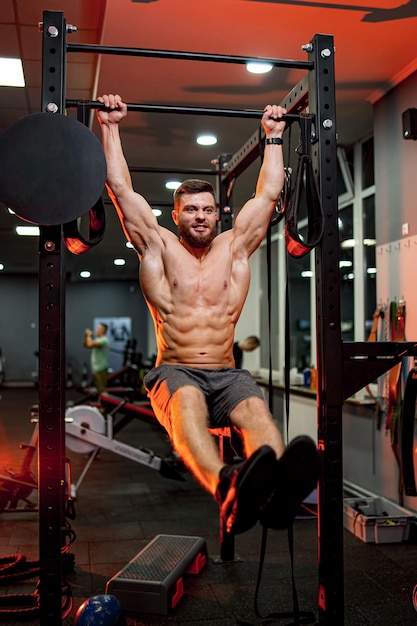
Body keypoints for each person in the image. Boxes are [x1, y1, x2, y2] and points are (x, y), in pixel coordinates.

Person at [96, 94, 319, 535]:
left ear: (219, 214)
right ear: (175, 214)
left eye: (208, 209)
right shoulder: (157, 246)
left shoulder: (235, 247)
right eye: (192, 209)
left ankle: (273, 492)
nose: (201, 216)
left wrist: (273, 138)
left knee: (256, 412)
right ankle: (226, 487)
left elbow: (269, 192)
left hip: (226, 371)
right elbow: (121, 190)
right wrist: (110, 126)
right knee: (189, 403)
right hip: (175, 371)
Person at [83, 323, 110, 396]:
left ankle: (104, 406)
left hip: (101, 368)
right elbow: (86, 344)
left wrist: (89, 335)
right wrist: (86, 336)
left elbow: (90, 344)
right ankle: (101, 405)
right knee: (99, 390)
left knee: (102, 390)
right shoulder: (98, 339)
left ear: (103, 330)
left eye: (99, 328)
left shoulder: (104, 340)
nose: (97, 330)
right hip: (96, 368)